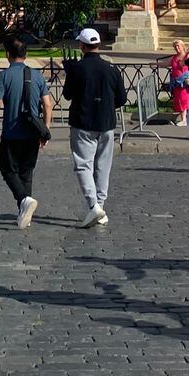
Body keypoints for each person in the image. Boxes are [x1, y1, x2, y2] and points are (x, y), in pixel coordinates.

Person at [62, 27, 127, 228]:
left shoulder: (78, 69)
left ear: (82, 46)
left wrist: (69, 72)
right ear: (98, 45)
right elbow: (122, 99)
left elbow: (67, 95)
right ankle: (100, 203)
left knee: (83, 164)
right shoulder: (111, 68)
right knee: (103, 166)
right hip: (106, 123)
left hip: (83, 122)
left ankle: (93, 206)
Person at [0, 36, 52, 229]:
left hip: (12, 132)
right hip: (32, 132)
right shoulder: (36, 75)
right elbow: (47, 104)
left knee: (7, 169)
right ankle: (25, 214)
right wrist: (45, 129)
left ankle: (24, 201)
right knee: (26, 172)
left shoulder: (4, 76)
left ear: (8, 55)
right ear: (26, 54)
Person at [166, 40, 189, 127]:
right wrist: (155, 64)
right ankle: (183, 118)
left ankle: (184, 120)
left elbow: (182, 64)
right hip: (176, 82)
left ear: (182, 46)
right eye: (175, 46)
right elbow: (168, 63)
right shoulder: (174, 57)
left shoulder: (186, 56)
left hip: (183, 82)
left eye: (178, 46)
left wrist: (188, 52)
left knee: (183, 99)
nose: (176, 48)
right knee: (178, 100)